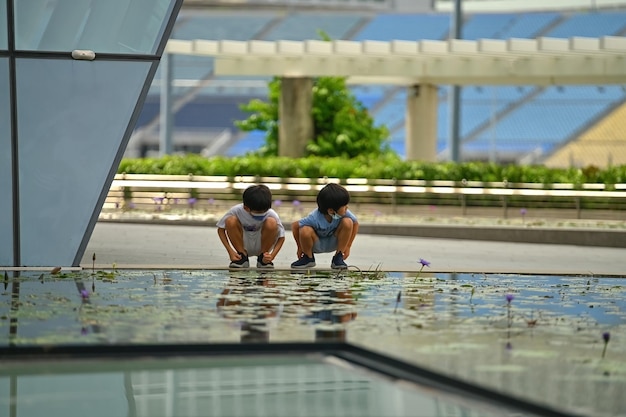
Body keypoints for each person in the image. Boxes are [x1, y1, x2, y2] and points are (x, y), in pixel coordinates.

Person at [291, 183, 359, 270]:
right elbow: (295, 226)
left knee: (348, 222)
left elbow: (355, 223)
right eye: (344, 206)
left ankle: (338, 257)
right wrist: (300, 247)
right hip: (316, 243)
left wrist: (348, 246)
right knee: (305, 230)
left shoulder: (345, 213)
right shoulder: (314, 218)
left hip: (335, 241)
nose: (347, 208)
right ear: (331, 210)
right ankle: (308, 257)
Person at [217, 184, 285, 269]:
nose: (262, 215)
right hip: (242, 242)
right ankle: (242, 258)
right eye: (258, 213)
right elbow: (221, 230)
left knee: (271, 222)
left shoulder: (271, 214)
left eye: (264, 212)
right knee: (230, 221)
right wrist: (230, 251)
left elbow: (281, 237)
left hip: (263, 243)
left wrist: (272, 256)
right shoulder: (236, 211)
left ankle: (262, 259)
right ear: (246, 208)